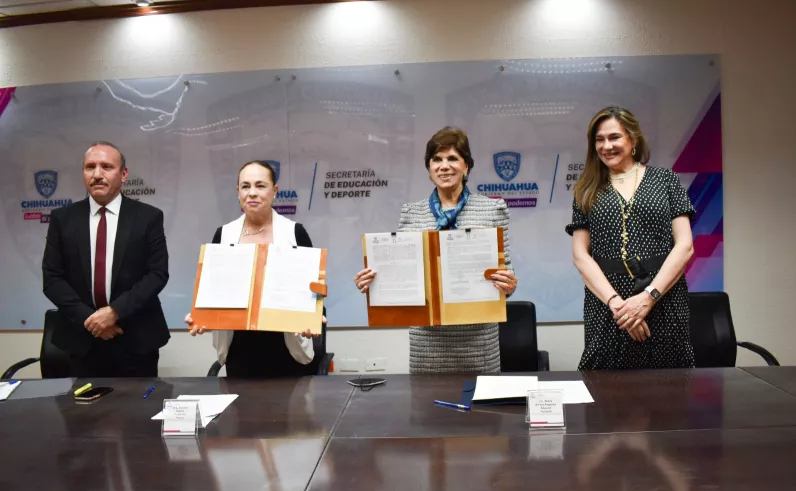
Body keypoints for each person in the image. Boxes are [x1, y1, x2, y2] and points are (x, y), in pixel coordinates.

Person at [354, 126, 518, 373]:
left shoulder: (492, 210)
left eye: (452, 158)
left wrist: (509, 284)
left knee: (480, 400)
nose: (444, 166)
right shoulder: (412, 214)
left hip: (478, 342)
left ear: (466, 166)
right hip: (428, 344)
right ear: (429, 168)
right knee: (426, 399)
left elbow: (507, 274)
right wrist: (373, 283)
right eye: (437, 159)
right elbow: (402, 274)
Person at [566, 106, 696, 370]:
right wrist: (618, 306)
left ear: (633, 139)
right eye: (599, 140)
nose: (606, 146)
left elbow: (685, 246)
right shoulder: (586, 188)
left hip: (663, 299)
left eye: (614, 137)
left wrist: (648, 297)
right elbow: (581, 256)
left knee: (671, 383)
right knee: (605, 384)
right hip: (608, 306)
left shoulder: (665, 180)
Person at [185, 160, 325, 378]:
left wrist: (313, 317)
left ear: (274, 191)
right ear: (238, 191)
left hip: (287, 348)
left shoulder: (294, 233)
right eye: (245, 186)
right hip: (239, 350)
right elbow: (212, 290)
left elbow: (314, 290)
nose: (252, 193)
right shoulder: (223, 234)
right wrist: (201, 316)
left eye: (260, 185)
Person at [42, 141, 170, 377]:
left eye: (107, 167)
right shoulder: (63, 219)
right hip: (81, 340)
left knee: (140, 402)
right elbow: (52, 279)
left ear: (123, 175)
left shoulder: (148, 217)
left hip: (136, 339)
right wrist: (91, 320)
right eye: (90, 167)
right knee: (82, 402)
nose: (97, 174)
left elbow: (157, 274)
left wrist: (114, 312)